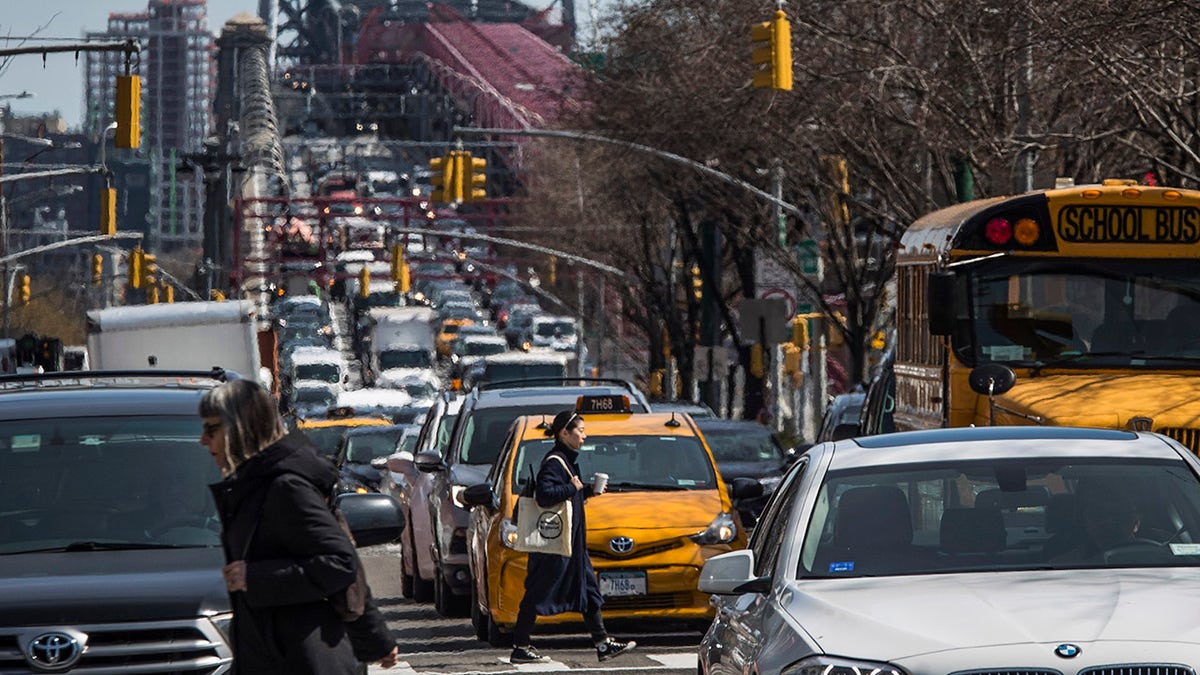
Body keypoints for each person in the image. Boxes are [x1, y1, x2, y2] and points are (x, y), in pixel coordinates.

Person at [200, 379, 398, 674]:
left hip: (306, 660)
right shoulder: (254, 484)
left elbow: (341, 563)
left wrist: (253, 577)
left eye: (212, 429)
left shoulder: (284, 487)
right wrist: (376, 641)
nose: (203, 440)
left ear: (241, 429)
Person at [510, 409, 637, 664]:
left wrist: (587, 491)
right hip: (555, 546)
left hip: (572, 546)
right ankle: (520, 646)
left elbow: (566, 496)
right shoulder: (555, 461)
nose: (584, 436)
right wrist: (573, 487)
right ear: (563, 433)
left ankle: (602, 643)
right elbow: (545, 495)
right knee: (537, 592)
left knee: (589, 590)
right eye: (580, 431)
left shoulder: (564, 460)